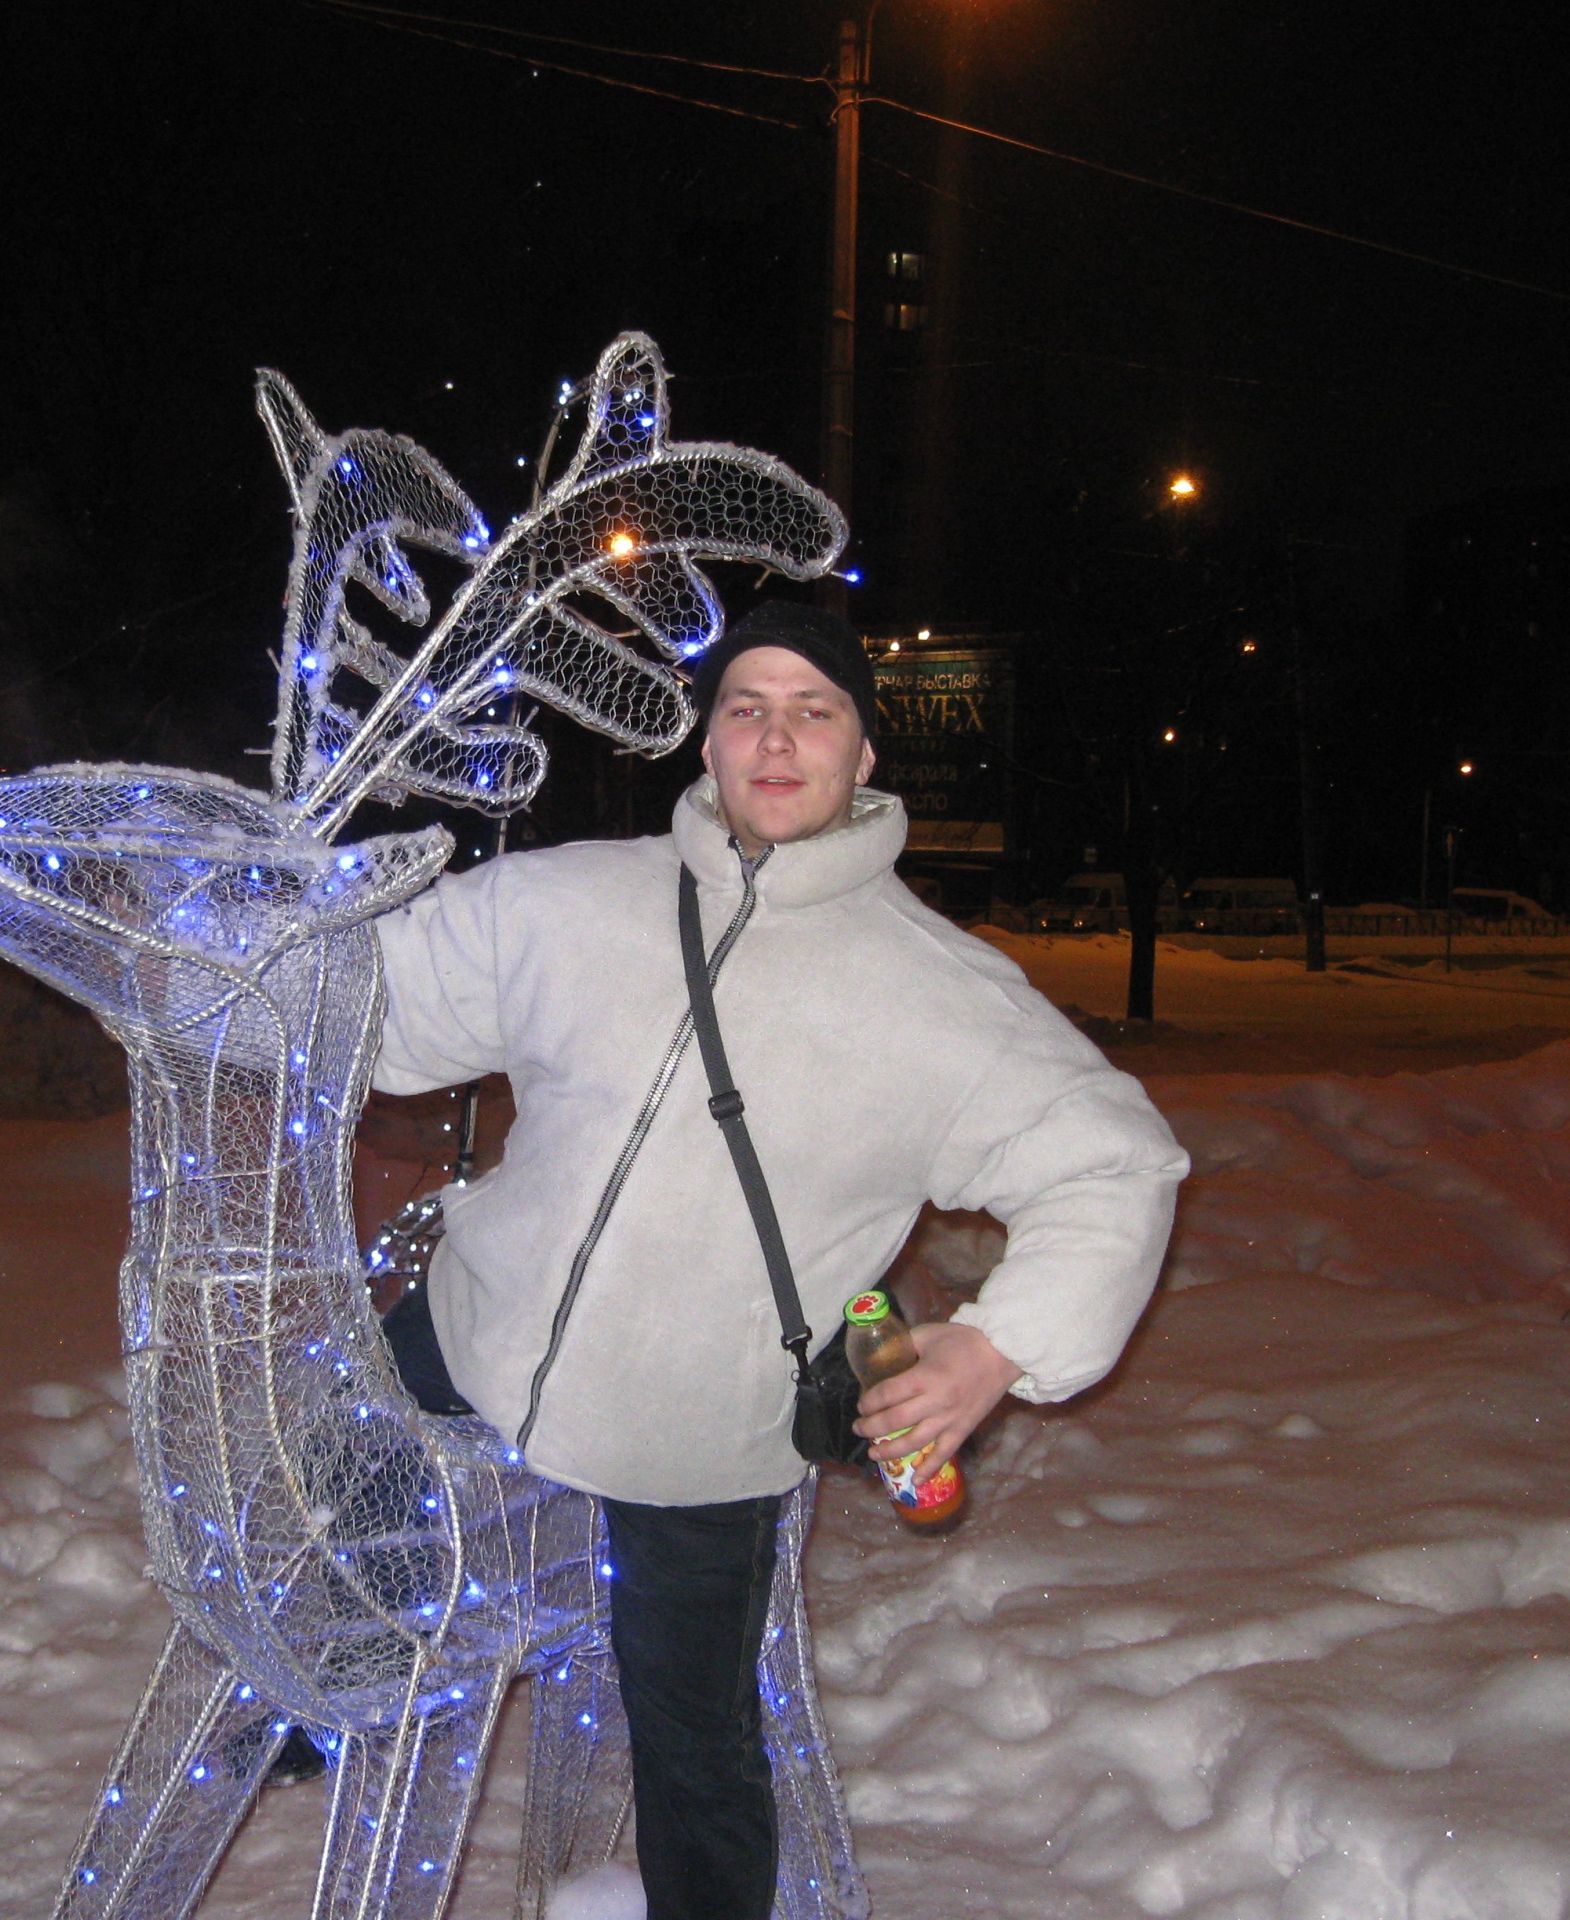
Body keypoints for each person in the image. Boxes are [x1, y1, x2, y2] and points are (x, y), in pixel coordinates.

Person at [370, 599, 1188, 1920]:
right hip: (474, 1328)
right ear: (708, 743)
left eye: (816, 711)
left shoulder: (943, 996)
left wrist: (996, 1347)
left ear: (864, 755)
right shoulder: (567, 902)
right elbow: (370, 1004)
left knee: (692, 1746)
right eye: (747, 706)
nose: (777, 737)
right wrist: (253, 941)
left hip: (699, 1430)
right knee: (335, 1472)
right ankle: (328, 1708)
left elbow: (1116, 1165)